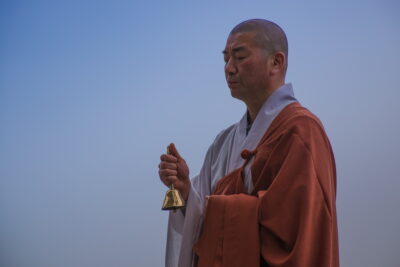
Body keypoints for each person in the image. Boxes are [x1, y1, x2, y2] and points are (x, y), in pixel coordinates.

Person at [158, 19, 339, 267]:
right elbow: (200, 220)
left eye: (240, 57)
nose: (229, 69)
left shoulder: (301, 130)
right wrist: (186, 192)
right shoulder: (222, 143)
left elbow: (297, 231)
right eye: (225, 60)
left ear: (276, 62)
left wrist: (221, 212)